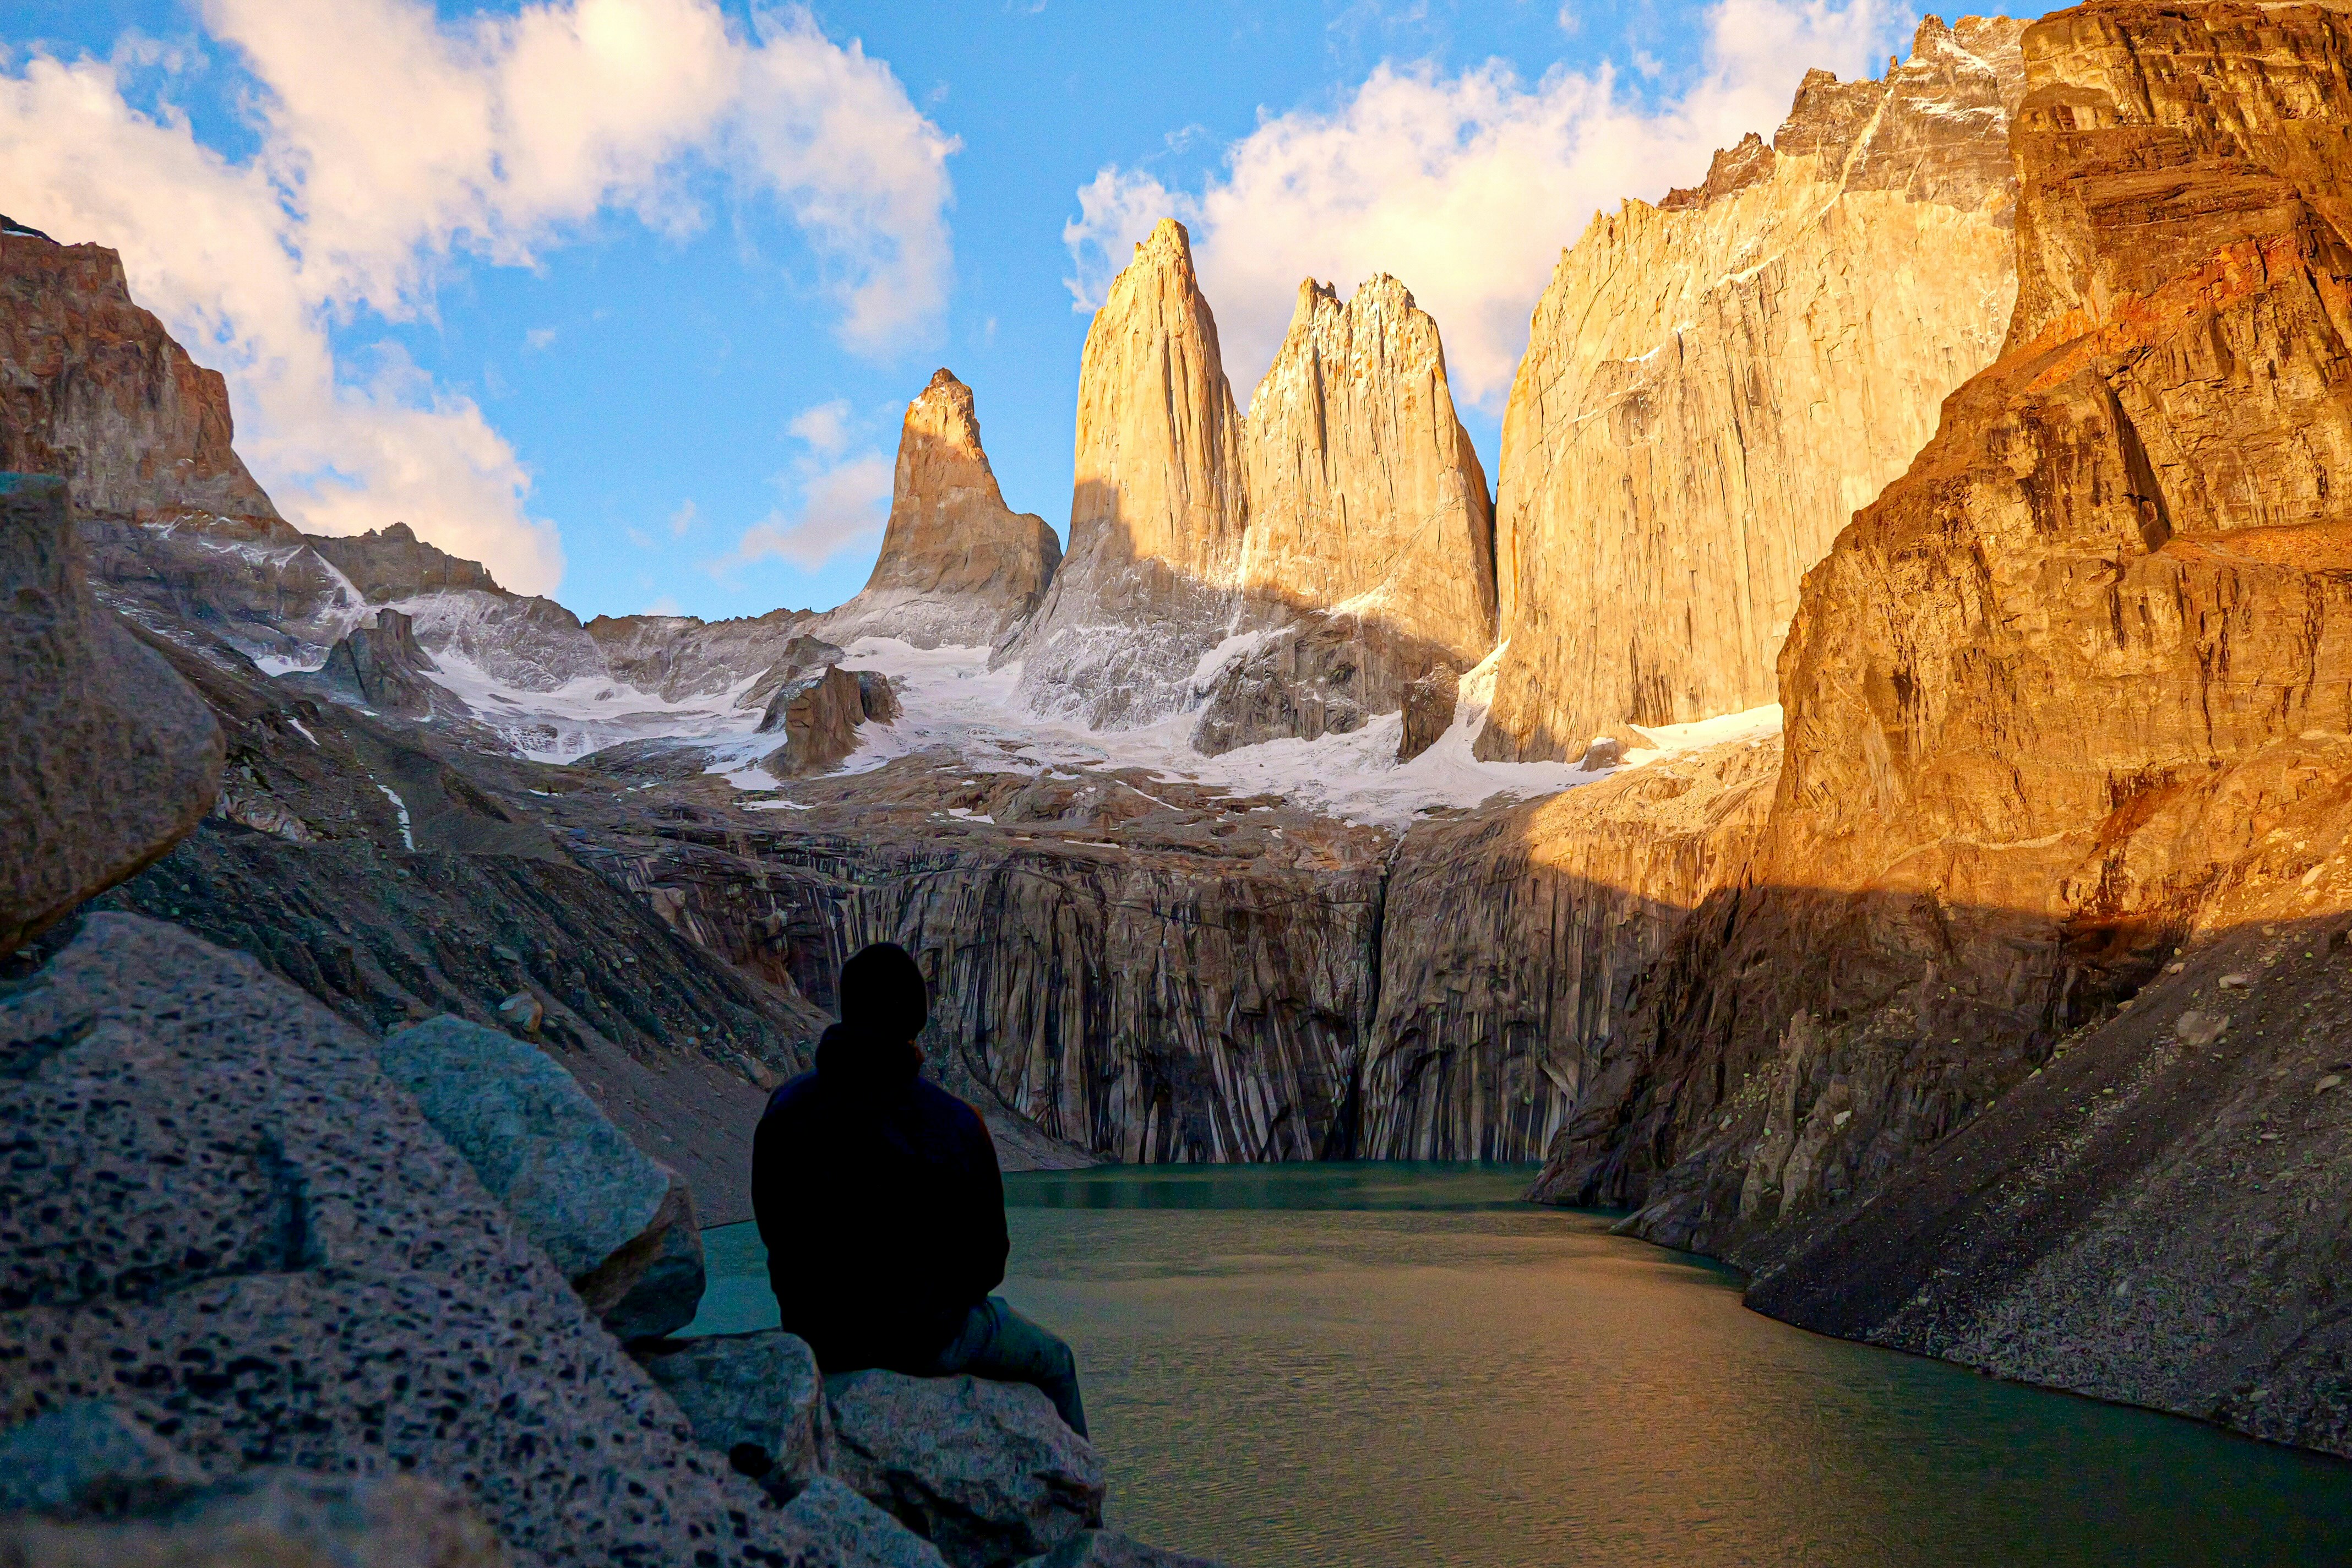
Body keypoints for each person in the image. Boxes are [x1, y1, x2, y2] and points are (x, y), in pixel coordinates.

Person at [750, 940, 1088, 1438]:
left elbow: (773, 1226)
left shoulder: (786, 1107)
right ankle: (1081, 1505)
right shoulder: (953, 1122)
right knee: (1056, 1362)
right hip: (924, 1338)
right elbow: (988, 1263)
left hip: (819, 1337)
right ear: (915, 1018)